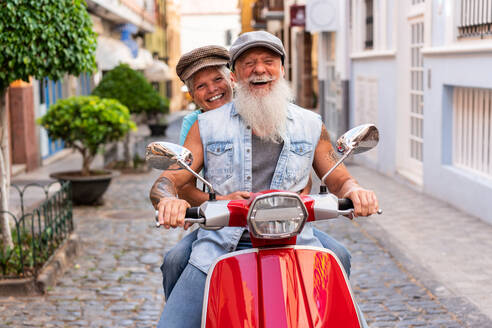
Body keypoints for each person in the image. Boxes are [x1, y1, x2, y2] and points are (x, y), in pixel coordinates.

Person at [152, 31, 378, 328]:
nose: (259, 69)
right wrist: (168, 199)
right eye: (249, 63)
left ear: (282, 69)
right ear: (236, 73)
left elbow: (338, 177)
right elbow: (168, 181)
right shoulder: (206, 126)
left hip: (297, 241)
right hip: (222, 244)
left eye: (268, 61)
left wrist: (356, 190)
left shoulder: (311, 124)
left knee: (342, 276)